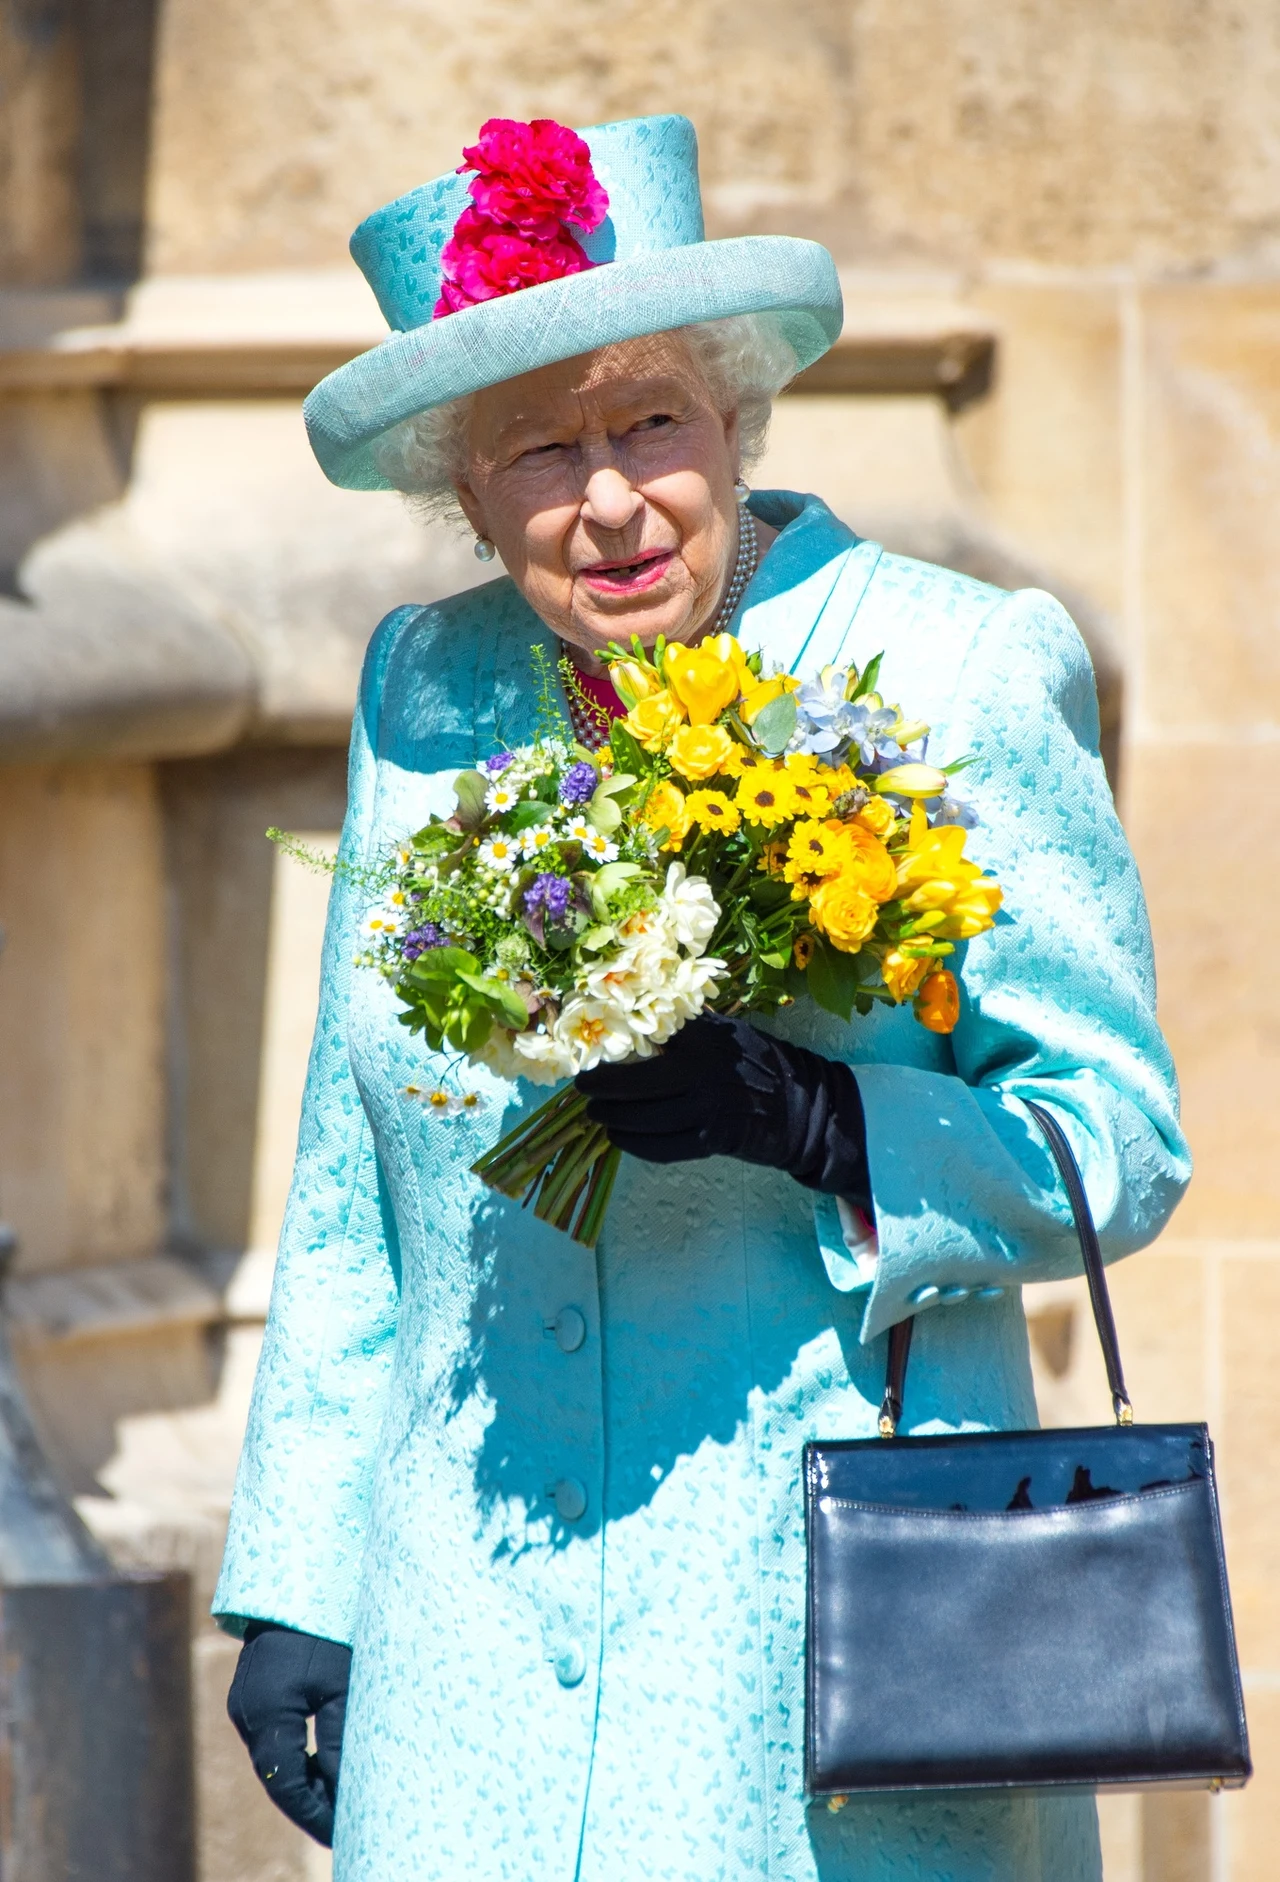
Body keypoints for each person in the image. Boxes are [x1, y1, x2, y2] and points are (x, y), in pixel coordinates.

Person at [216, 113, 1190, 1881]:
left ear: (735, 415)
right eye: (535, 448)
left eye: (649, 419)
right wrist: (295, 1575)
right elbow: (353, 1181)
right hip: (471, 1657)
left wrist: (829, 1122)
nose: (606, 501)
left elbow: (1117, 1141)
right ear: (461, 483)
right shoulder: (423, 690)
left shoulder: (957, 666)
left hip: (819, 1649)